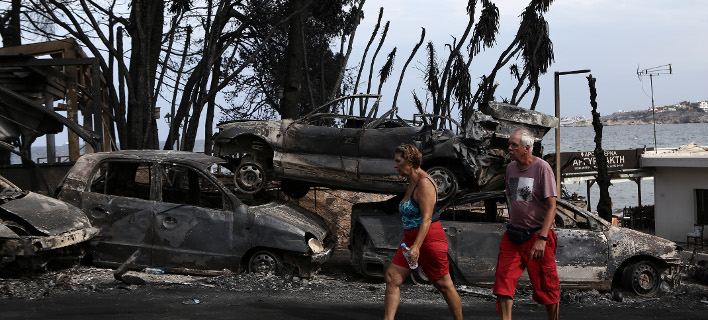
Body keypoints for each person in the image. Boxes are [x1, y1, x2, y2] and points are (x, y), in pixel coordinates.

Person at [384, 144, 463, 320]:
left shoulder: (425, 183)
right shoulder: (412, 181)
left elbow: (427, 218)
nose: (395, 165)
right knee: (392, 277)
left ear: (410, 161)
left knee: (443, 285)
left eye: (398, 161)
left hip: (428, 241)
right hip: (411, 239)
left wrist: (417, 247)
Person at [494, 129, 559, 320]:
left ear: (527, 148)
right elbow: (520, 199)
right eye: (510, 144)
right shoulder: (511, 168)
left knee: (547, 287)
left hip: (538, 236)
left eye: (514, 145)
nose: (510, 148)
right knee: (503, 280)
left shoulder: (542, 168)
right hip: (514, 235)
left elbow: (551, 207)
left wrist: (542, 238)